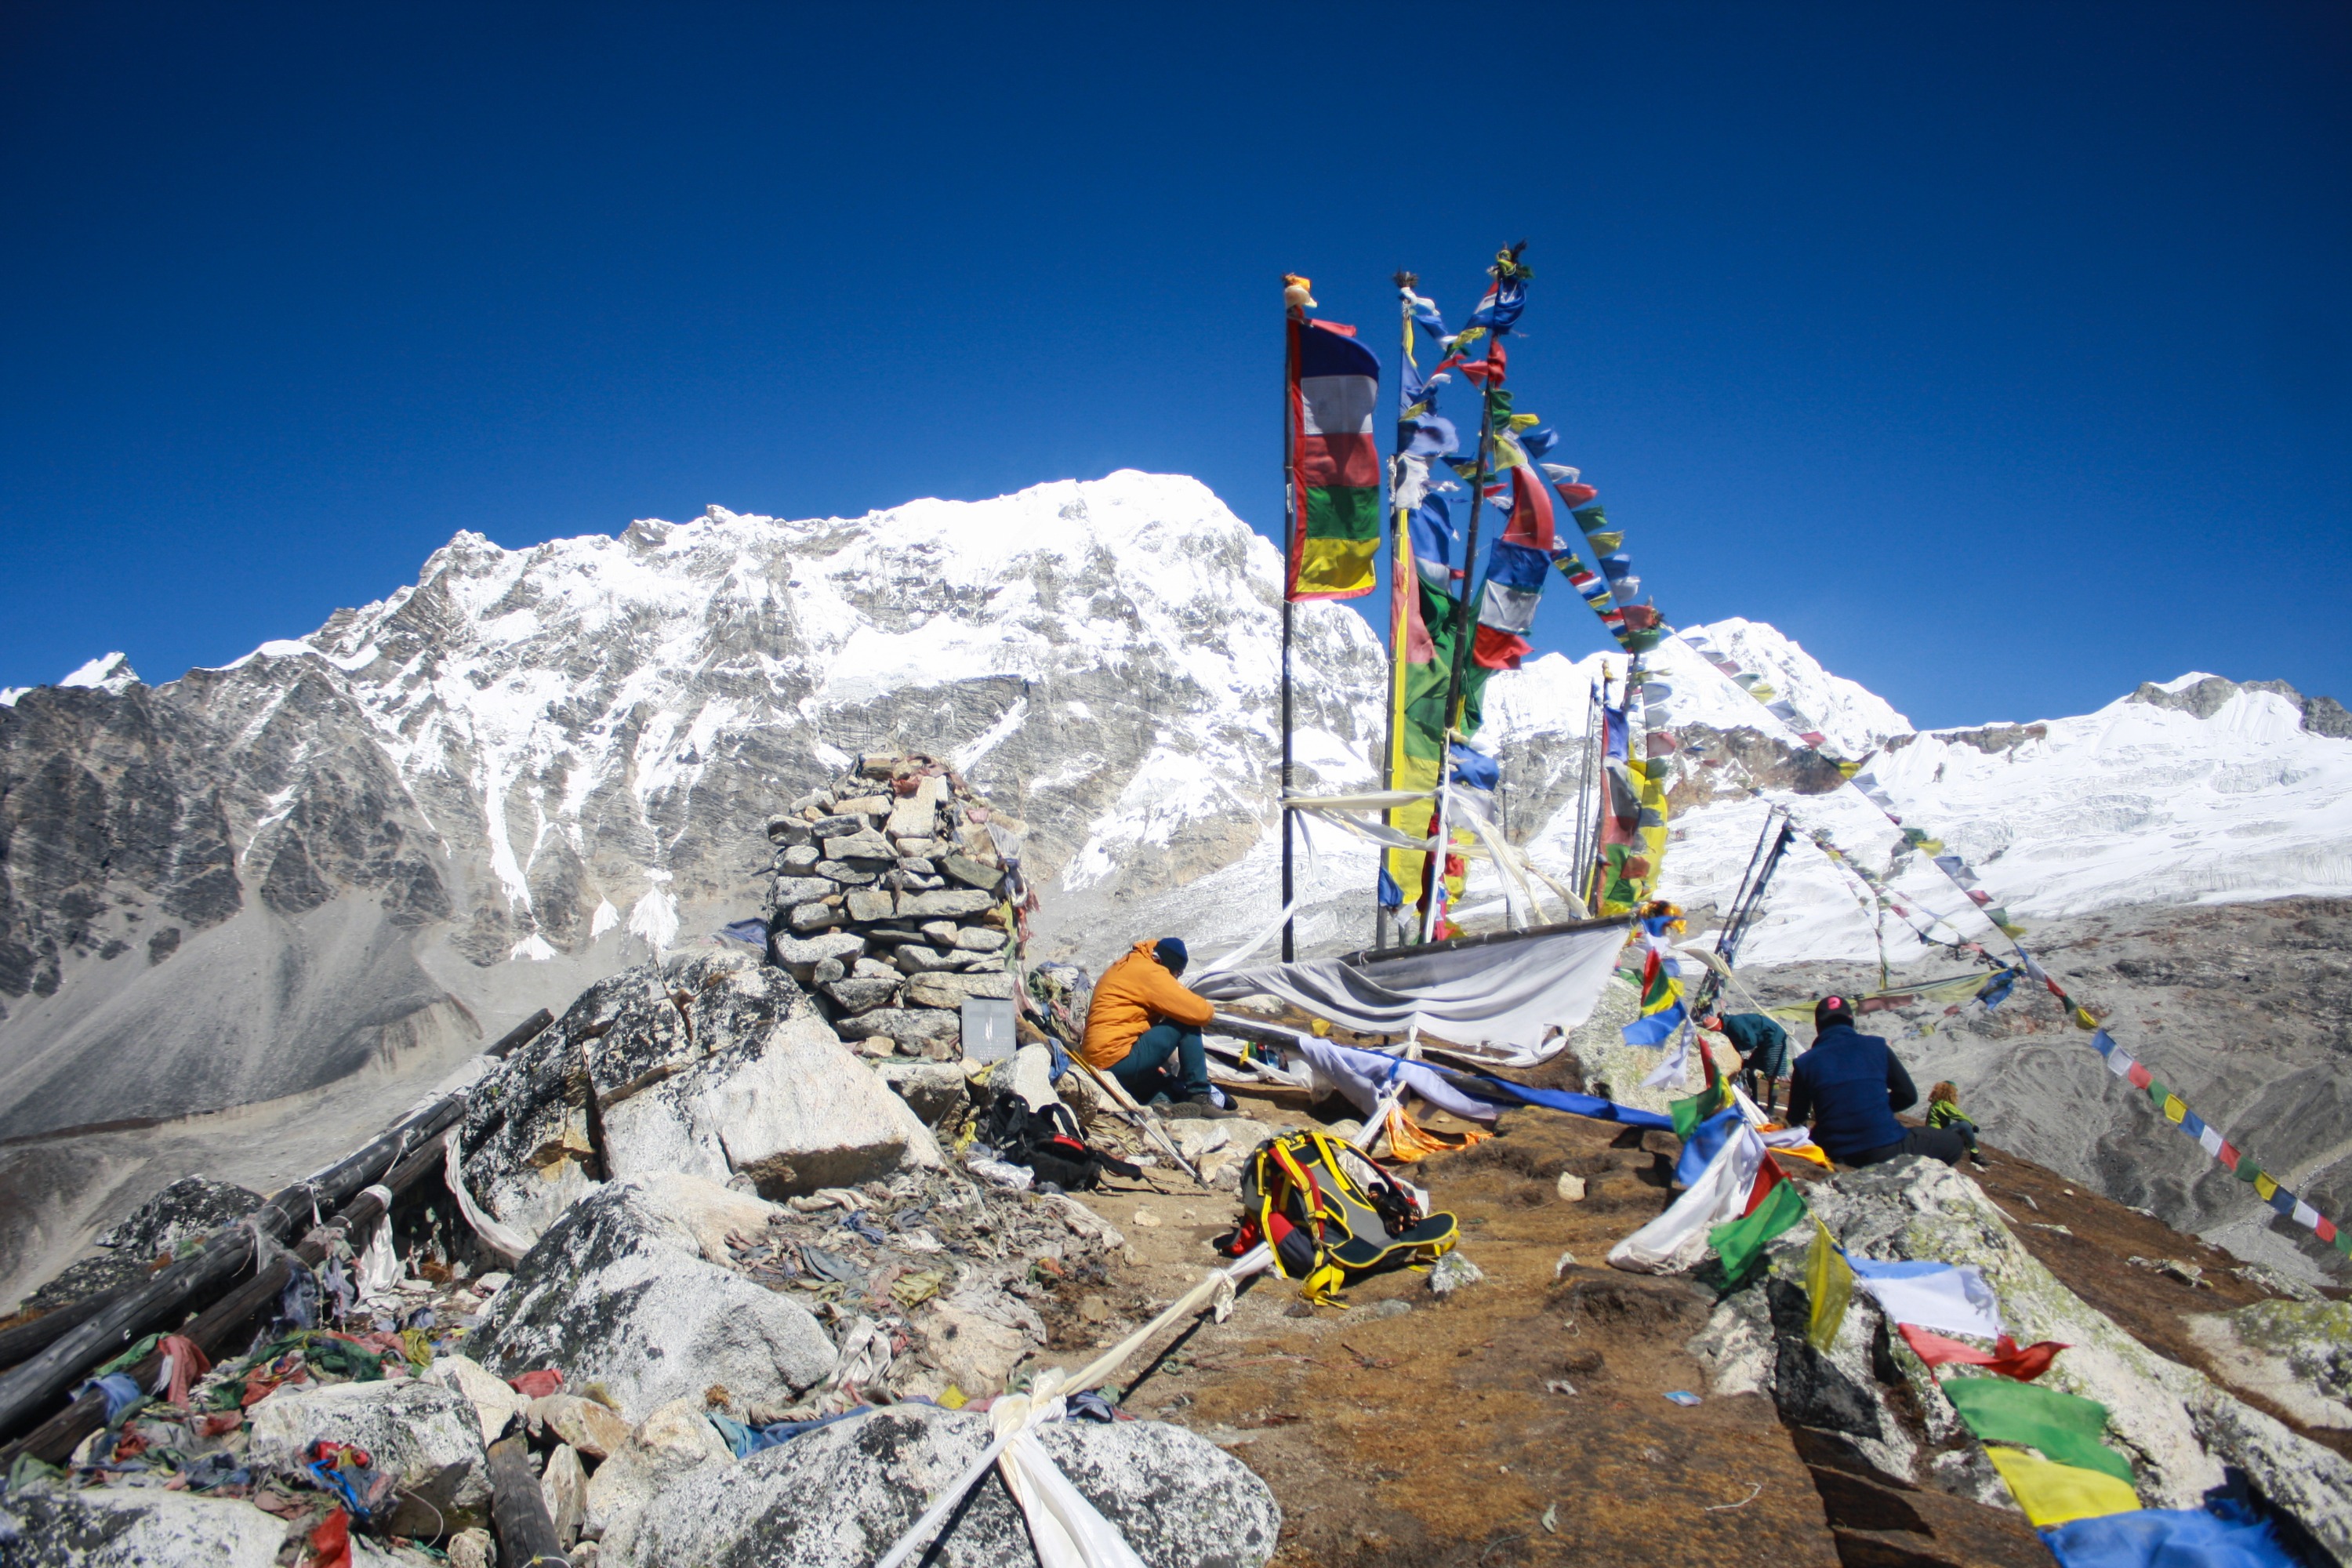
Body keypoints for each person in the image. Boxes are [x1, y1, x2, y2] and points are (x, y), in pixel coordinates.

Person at [1783, 996, 1967, 1168]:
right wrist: (1874, 1108)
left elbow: (1796, 1118)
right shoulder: (1877, 1046)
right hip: (1887, 1145)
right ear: (1851, 1019)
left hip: (1836, 1151)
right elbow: (1908, 1096)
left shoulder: (1805, 1062)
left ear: (1818, 1025)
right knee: (1954, 1142)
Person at [1079, 938, 1227, 1114]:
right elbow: (1200, 1012)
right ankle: (1201, 1096)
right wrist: (1211, 1010)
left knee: (1163, 1081)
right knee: (1187, 1024)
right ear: (1170, 966)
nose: (1176, 978)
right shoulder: (1152, 973)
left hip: (1098, 1060)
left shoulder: (1131, 963)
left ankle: (1162, 1105)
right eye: (1177, 973)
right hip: (1115, 1058)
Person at [1705, 1010, 1791, 1113]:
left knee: (1772, 1075)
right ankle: (1753, 1101)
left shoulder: (1734, 1025)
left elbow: (1750, 1042)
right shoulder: (1730, 1023)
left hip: (1774, 1038)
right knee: (1749, 1068)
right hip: (1764, 1040)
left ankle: (1770, 1111)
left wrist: (1735, 1047)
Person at [1926, 1080, 1991, 1169]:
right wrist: (1973, 1125)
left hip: (1933, 1138)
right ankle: (1975, 1154)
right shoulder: (1943, 1104)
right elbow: (1959, 1115)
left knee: (1961, 1130)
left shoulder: (1936, 1104)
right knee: (1964, 1125)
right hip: (1937, 1138)